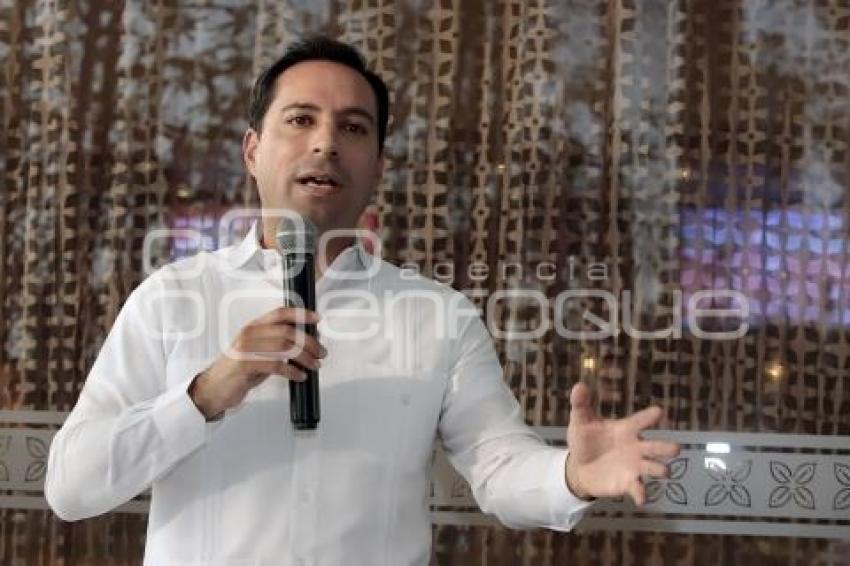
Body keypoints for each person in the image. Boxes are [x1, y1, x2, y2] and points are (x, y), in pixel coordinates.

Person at [46, 36, 680, 565]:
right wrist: (207, 392)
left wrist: (570, 475)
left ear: (377, 165)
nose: (325, 143)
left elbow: (500, 466)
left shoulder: (436, 316)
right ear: (253, 151)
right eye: (301, 120)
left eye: (352, 127)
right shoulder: (174, 298)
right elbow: (72, 487)